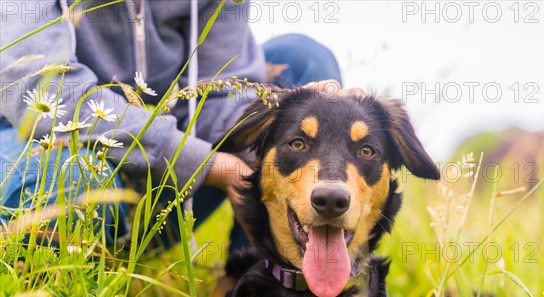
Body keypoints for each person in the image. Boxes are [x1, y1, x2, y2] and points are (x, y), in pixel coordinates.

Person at [0, 0, 343, 250]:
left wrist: (284, 117)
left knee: (302, 61)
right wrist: (200, 163)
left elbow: (219, 96)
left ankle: (257, 292)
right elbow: (41, 93)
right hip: (53, 149)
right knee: (63, 180)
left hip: (172, 185)